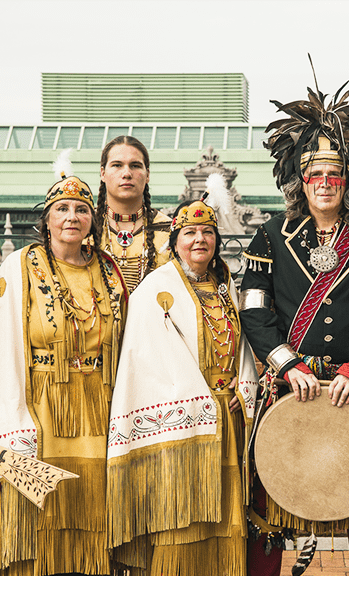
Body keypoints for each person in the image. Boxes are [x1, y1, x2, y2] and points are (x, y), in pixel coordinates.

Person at [240, 82, 349, 576]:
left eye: (335, 174)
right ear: (300, 178)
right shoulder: (270, 235)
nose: (325, 182)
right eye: (315, 173)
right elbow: (254, 311)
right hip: (291, 386)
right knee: (272, 504)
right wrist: (286, 364)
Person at [0, 153, 127, 576]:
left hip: (99, 405)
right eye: (62, 209)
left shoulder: (110, 271)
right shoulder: (19, 267)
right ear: (47, 220)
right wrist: (15, 415)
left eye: (82, 209)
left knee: (95, 509)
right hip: (42, 404)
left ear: (95, 219)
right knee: (42, 512)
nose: (72, 217)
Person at [107, 185, 258, 576]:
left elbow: (242, 347)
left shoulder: (226, 288)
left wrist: (243, 387)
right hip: (182, 418)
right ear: (174, 243)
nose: (200, 239)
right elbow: (148, 361)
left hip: (229, 414)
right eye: (189, 233)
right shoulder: (154, 290)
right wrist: (198, 398)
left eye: (208, 232)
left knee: (226, 514)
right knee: (181, 515)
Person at [96, 135, 171, 293]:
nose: (127, 174)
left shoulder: (170, 231)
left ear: (147, 174)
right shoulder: (83, 227)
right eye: (117, 165)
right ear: (102, 173)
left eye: (135, 166)